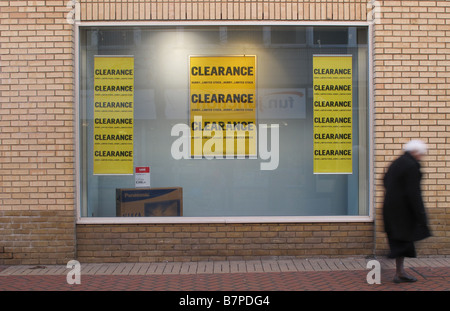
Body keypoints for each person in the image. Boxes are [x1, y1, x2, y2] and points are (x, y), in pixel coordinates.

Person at [382, 140, 431, 283]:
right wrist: (421, 216)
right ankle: (391, 264)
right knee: (403, 242)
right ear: (415, 152)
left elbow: (384, 181)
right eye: (421, 154)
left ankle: (399, 272)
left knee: (401, 241)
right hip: (404, 212)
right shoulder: (411, 166)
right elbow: (414, 193)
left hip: (390, 209)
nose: (421, 157)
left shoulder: (397, 162)